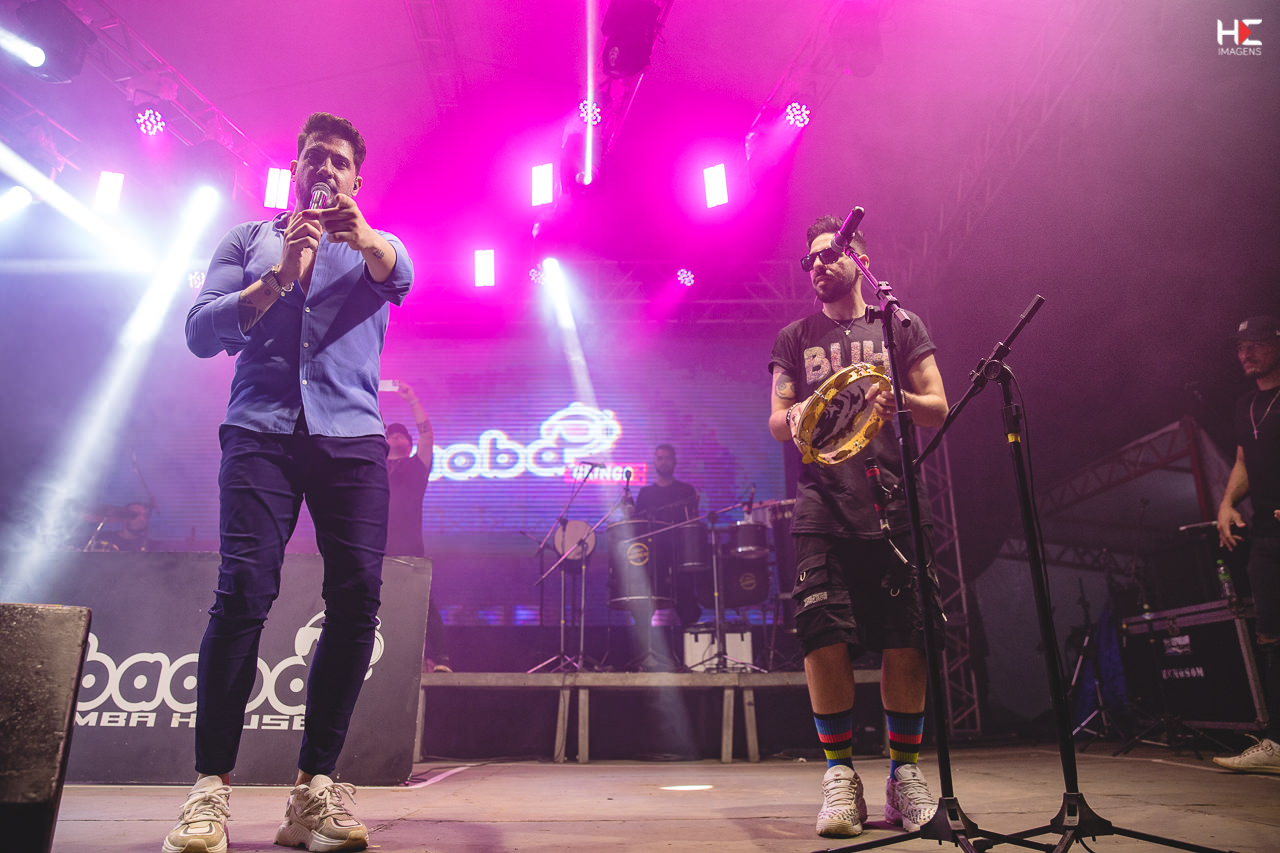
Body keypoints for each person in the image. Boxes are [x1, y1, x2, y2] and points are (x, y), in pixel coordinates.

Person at [169, 111, 413, 853]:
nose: (325, 169)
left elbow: (399, 275)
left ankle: (313, 789)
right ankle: (209, 789)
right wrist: (278, 279)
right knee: (243, 591)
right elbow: (199, 331)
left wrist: (362, 237)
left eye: (339, 161)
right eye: (314, 157)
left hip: (351, 441)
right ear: (295, 168)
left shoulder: (375, 244)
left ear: (356, 177)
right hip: (260, 434)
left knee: (357, 599)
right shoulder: (248, 240)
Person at [767, 215, 948, 838]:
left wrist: (898, 401)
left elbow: (937, 406)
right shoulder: (795, 337)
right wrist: (800, 414)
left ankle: (903, 777)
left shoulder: (900, 325)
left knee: (907, 637)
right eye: (809, 260)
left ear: (860, 260)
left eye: (828, 254)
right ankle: (841, 777)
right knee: (823, 636)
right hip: (822, 503)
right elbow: (776, 420)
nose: (816, 266)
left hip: (895, 500)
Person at [1215, 314, 1280, 775]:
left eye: (1255, 343)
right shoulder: (1245, 404)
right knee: (1270, 637)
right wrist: (1226, 503)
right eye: (1240, 347)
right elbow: (1243, 460)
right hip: (1266, 536)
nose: (1245, 353)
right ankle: (1277, 742)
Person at [383, 381, 451, 673]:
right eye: (391, 434)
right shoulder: (374, 468)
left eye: (401, 434)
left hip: (409, 546)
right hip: (376, 548)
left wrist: (411, 400)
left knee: (422, 603)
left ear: (409, 444)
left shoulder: (417, 466)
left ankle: (441, 658)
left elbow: (427, 435)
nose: (395, 436)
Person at [634, 443, 702, 628]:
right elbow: (638, 525)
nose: (664, 462)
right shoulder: (646, 493)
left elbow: (693, 522)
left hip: (680, 556)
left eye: (667, 458)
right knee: (644, 607)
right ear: (655, 462)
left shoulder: (686, 490)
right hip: (653, 558)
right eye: (660, 458)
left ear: (675, 461)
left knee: (688, 607)